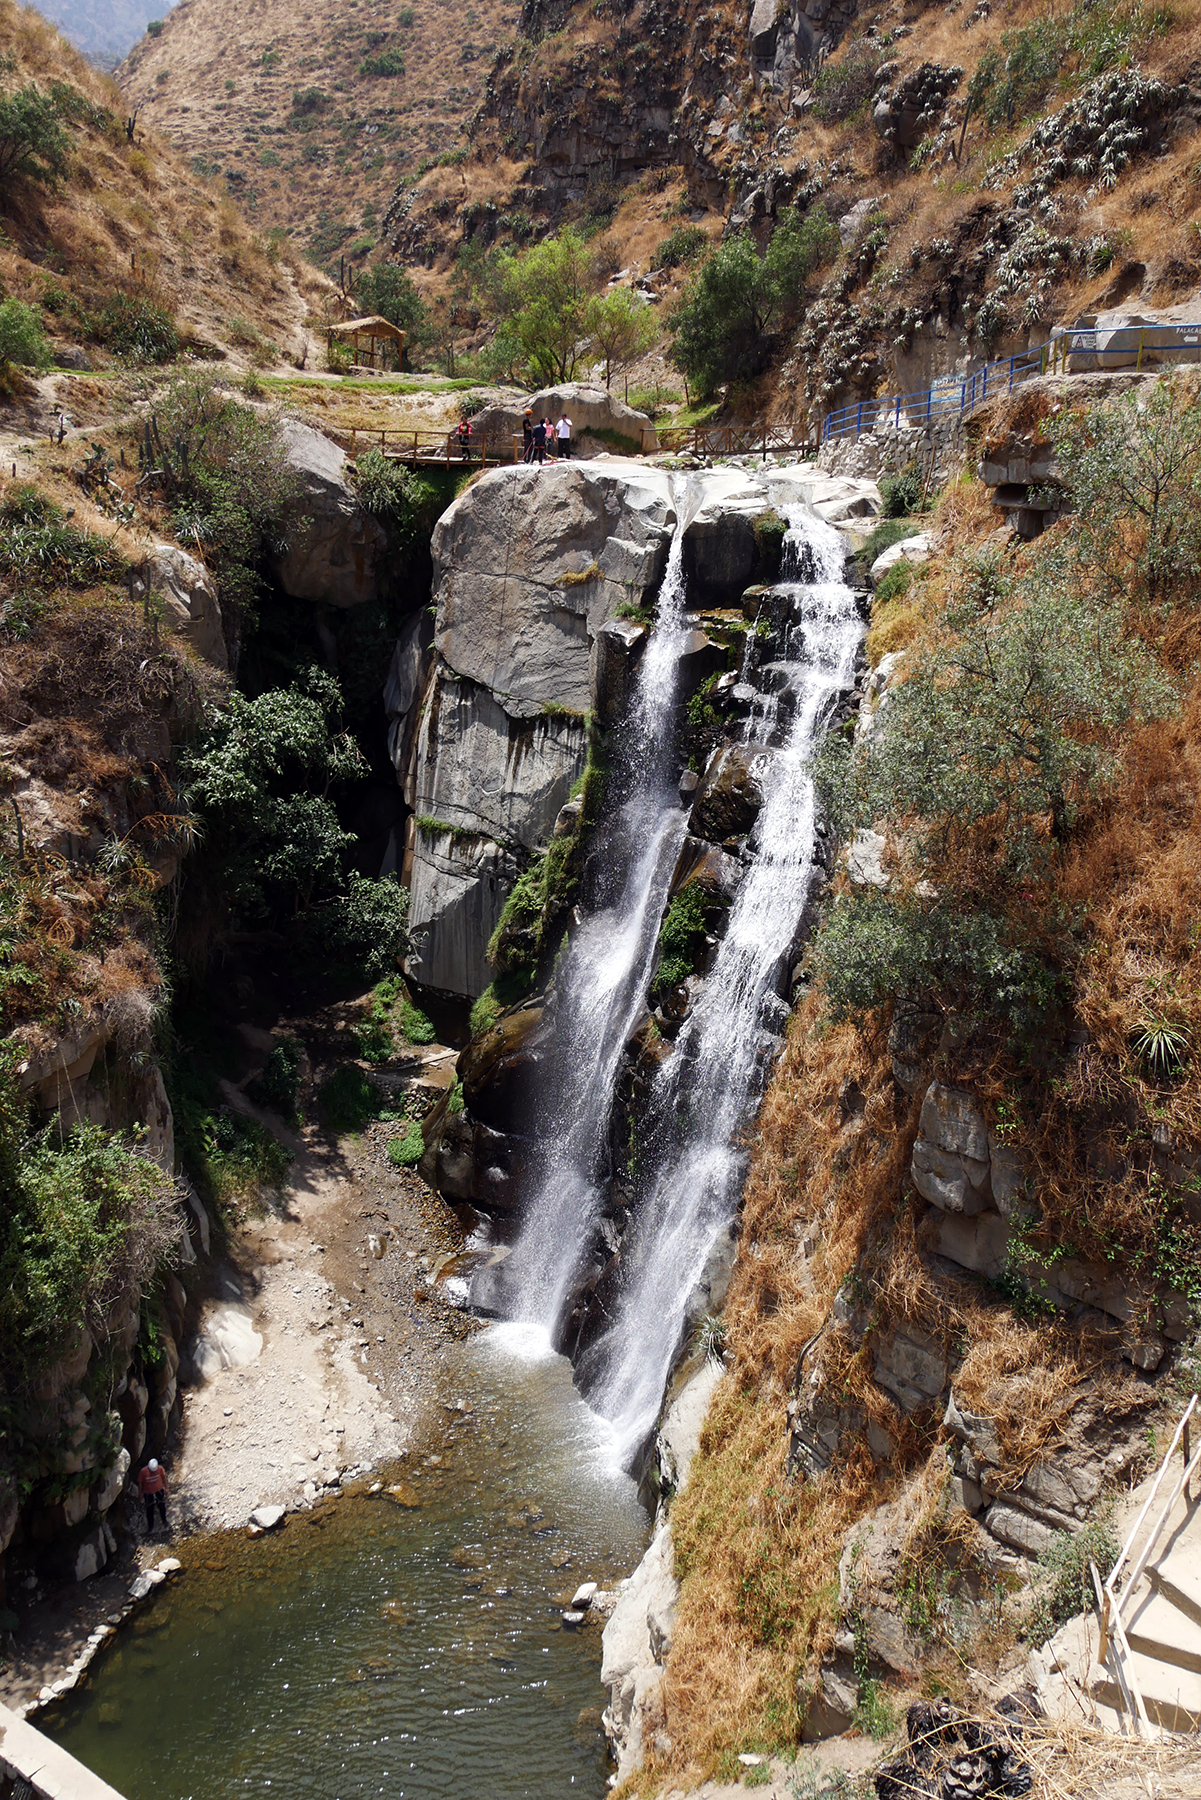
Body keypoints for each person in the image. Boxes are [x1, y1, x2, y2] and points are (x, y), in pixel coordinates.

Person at [138, 1456, 168, 1533]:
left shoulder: (160, 1469)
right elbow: (140, 1483)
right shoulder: (143, 1472)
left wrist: (166, 1488)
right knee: (149, 1509)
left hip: (159, 1491)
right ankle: (150, 1526)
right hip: (148, 1493)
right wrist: (140, 1493)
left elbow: (164, 1478)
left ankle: (164, 1521)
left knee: (161, 1506)